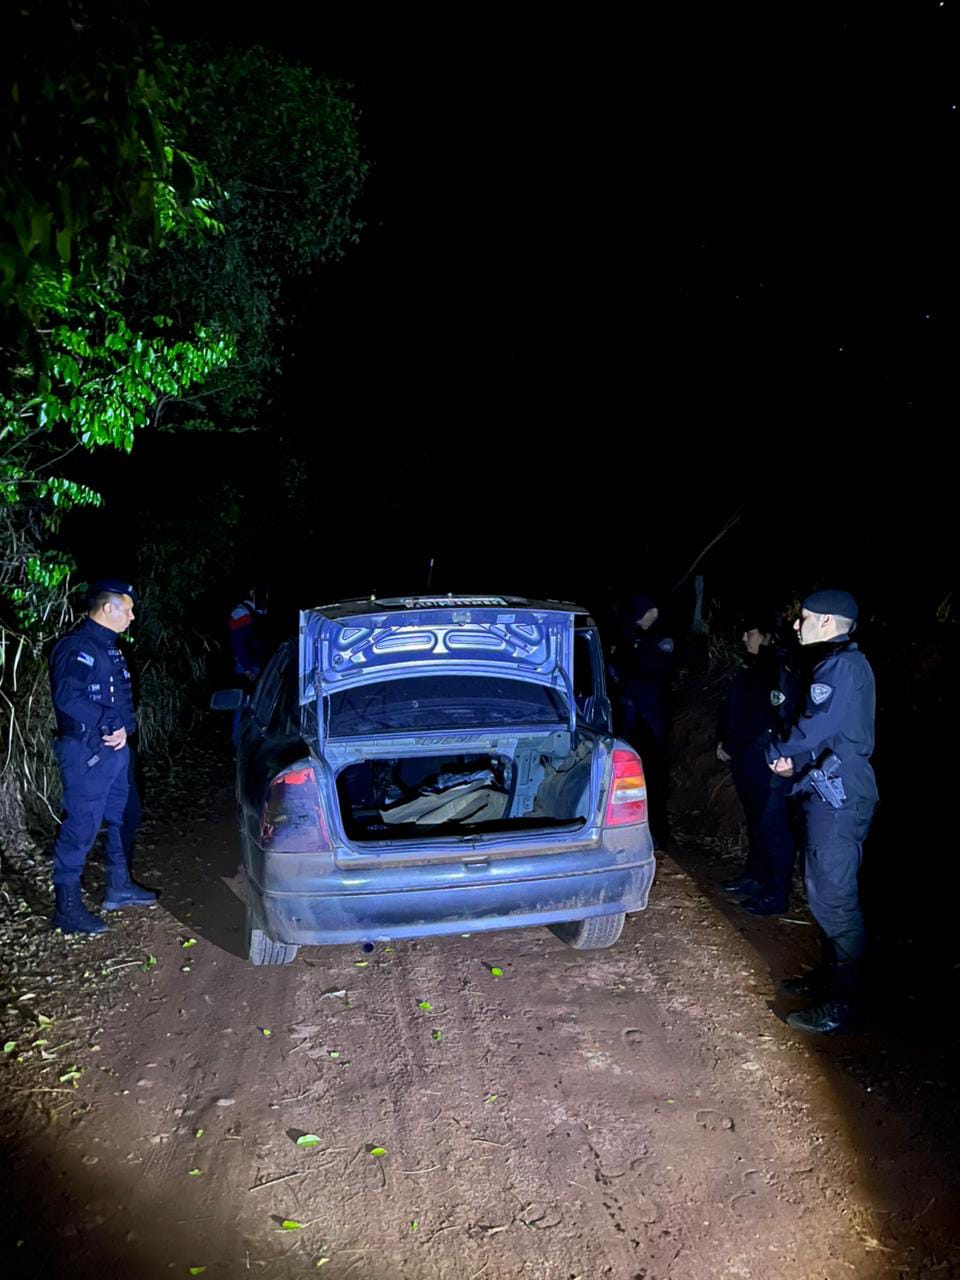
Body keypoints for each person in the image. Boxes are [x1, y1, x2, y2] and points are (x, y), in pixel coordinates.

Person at [766, 589, 878, 1034]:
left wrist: (780, 751)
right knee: (822, 889)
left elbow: (816, 725)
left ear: (828, 622)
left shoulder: (841, 666)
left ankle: (844, 1002)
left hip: (840, 796)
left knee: (835, 898)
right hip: (828, 787)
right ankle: (831, 978)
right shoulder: (840, 663)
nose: (798, 625)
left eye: (806, 618)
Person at [48, 579, 156, 934]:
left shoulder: (110, 647)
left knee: (124, 815)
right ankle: (66, 908)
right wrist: (107, 720)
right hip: (87, 753)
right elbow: (68, 697)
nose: (132, 616)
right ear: (108, 608)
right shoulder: (77, 647)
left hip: (115, 751)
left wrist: (122, 729)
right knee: (82, 826)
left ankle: (119, 885)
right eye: (127, 609)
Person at [717, 612, 798, 915]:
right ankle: (755, 876)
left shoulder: (778, 668)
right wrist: (725, 740)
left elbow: (781, 715)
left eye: (749, 633)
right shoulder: (752, 668)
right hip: (745, 755)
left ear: (765, 635)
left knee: (772, 823)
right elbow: (734, 709)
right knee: (755, 820)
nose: (744, 639)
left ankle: (777, 892)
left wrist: (773, 751)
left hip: (766, 758)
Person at [609, 592, 674, 846]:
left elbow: (654, 672)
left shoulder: (660, 639)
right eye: (647, 613)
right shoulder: (625, 635)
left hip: (650, 716)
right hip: (628, 716)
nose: (651, 618)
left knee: (653, 775)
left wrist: (626, 672)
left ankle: (656, 834)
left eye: (654, 613)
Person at [227, 585, 269, 746]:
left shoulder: (259, 613)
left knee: (256, 707)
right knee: (241, 705)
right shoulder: (241, 612)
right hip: (247, 667)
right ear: (251, 592)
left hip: (259, 665)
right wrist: (246, 667)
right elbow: (237, 643)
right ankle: (237, 744)